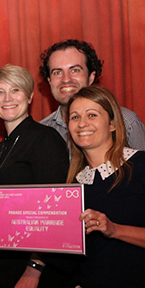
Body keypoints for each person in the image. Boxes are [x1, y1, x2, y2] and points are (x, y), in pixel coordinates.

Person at [0, 64, 70, 287]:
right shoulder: (1, 147)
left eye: (16, 90)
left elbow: (55, 213)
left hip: (35, 270)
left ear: (30, 95)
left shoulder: (45, 139)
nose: (7, 98)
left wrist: (35, 267)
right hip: (8, 261)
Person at [66, 86, 145, 287]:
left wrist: (115, 230)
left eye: (92, 115)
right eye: (74, 117)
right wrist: (7, 222)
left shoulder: (141, 166)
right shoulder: (73, 187)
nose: (82, 123)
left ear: (112, 124)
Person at [39, 39, 145, 150]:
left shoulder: (126, 122)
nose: (66, 79)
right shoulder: (42, 132)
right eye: (57, 72)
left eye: (75, 70)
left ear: (91, 77)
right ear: (50, 81)